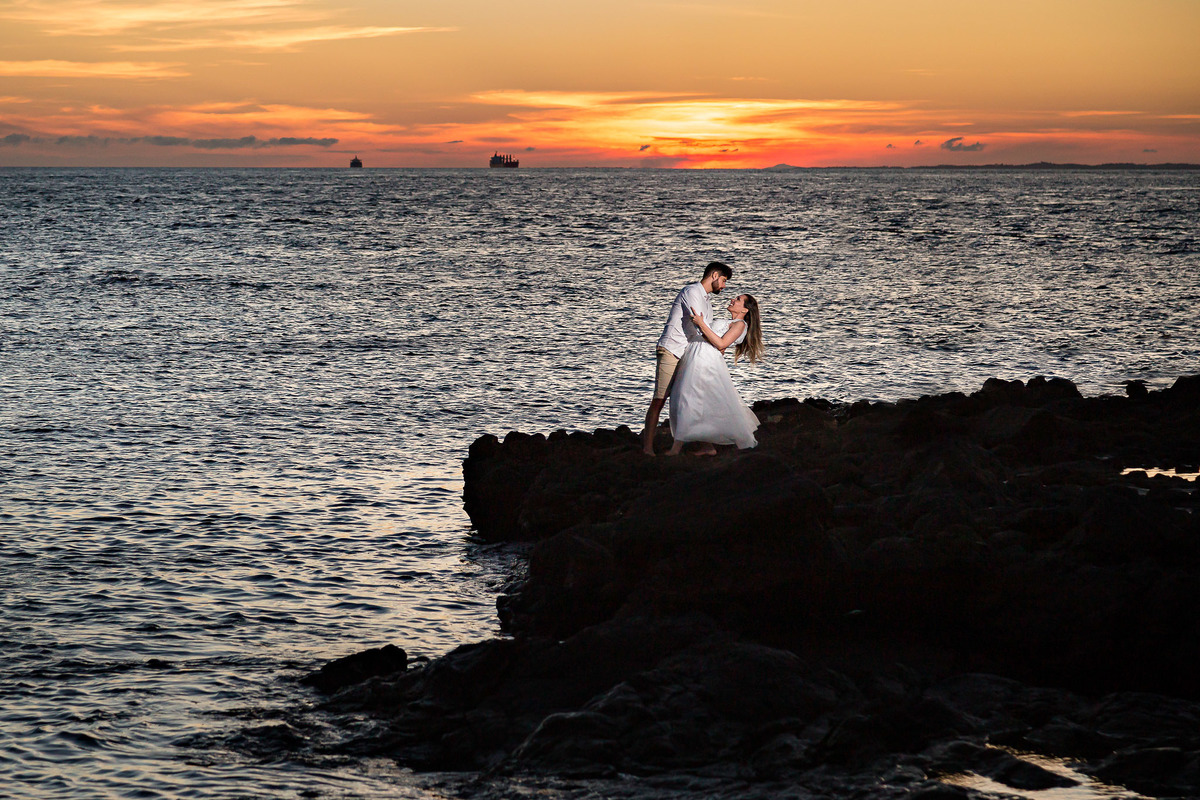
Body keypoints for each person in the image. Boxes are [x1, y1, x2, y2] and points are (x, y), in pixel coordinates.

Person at [641, 262, 732, 455]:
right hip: (672, 349)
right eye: (724, 280)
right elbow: (700, 327)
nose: (724, 286)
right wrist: (718, 345)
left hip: (689, 353)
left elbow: (706, 329)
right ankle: (647, 448)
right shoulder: (692, 292)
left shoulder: (706, 300)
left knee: (692, 398)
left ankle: (702, 445)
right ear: (714, 275)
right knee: (660, 399)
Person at [666, 293, 763, 456]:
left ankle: (676, 449)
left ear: (745, 310)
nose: (732, 299)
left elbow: (721, 343)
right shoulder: (731, 322)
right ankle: (707, 447)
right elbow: (717, 342)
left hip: (704, 360)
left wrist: (701, 323)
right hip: (697, 356)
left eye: (738, 300)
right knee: (696, 399)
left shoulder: (740, 324)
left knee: (688, 397)